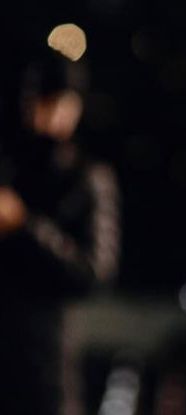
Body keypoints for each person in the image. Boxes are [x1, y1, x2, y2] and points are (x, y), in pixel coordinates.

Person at [0, 50, 120, 415]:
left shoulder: (86, 177)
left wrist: (24, 225)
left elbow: (93, 271)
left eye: (61, 101)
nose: (51, 113)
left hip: (46, 369)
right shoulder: (11, 167)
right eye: (42, 101)